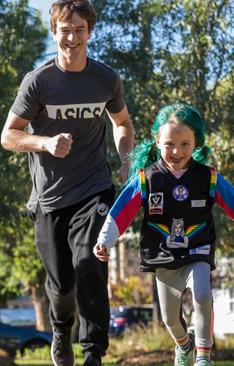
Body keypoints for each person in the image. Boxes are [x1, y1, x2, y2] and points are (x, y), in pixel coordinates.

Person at [0, 1, 135, 365]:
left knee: (91, 263)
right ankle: (61, 330)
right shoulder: (39, 81)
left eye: (79, 30)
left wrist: (125, 159)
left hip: (95, 188)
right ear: (54, 31)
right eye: (65, 30)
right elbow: (8, 136)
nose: (72, 37)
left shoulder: (106, 79)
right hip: (49, 198)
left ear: (90, 32)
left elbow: (122, 123)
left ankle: (93, 352)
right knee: (61, 285)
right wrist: (43, 142)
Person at [94, 103, 234, 366]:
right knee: (171, 319)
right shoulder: (146, 178)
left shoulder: (209, 178)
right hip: (163, 254)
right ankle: (184, 344)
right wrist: (105, 240)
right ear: (157, 140)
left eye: (185, 144)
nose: (177, 151)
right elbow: (120, 211)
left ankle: (203, 355)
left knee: (203, 295)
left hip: (197, 250)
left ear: (196, 144)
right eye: (169, 143)